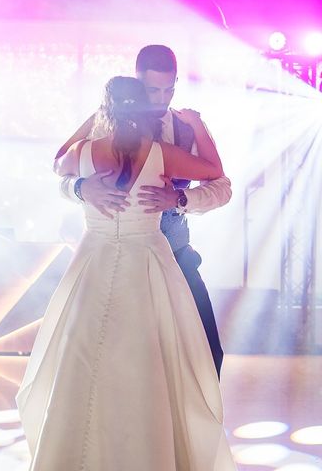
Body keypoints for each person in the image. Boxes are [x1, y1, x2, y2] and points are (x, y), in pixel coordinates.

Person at [17, 76, 236, 470]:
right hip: (148, 263)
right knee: (150, 362)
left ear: (108, 108)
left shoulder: (84, 153)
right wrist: (199, 124)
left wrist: (91, 133)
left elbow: (57, 159)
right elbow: (214, 168)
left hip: (94, 262)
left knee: (84, 360)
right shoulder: (160, 153)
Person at [57, 44, 229, 378]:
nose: (162, 99)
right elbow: (59, 168)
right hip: (113, 262)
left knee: (207, 354)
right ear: (137, 83)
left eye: (170, 89)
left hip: (176, 256)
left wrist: (181, 200)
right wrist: (80, 188)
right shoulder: (101, 125)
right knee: (109, 362)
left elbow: (222, 186)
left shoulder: (185, 127)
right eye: (153, 90)